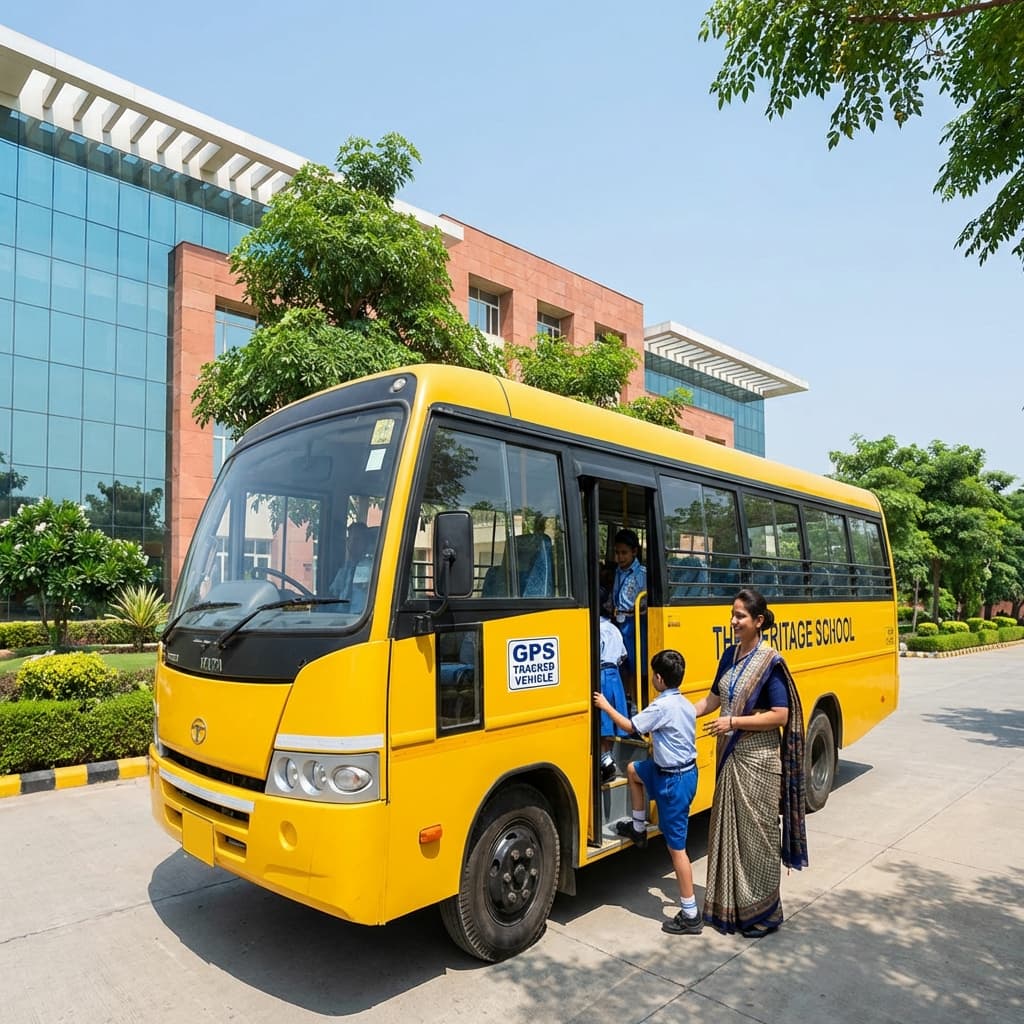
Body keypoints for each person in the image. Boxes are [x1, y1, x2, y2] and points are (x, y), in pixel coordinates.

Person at [693, 588, 808, 937]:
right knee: (728, 835)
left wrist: (734, 723)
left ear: (758, 621)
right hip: (730, 759)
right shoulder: (729, 655)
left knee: (758, 839)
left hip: (758, 760)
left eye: (740, 616)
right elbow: (713, 699)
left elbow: (780, 715)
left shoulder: (769, 662)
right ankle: (729, 908)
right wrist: (677, 711)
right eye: (732, 614)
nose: (733, 621)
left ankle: (763, 915)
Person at [593, 649, 702, 935]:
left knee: (677, 849)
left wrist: (605, 705)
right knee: (633, 770)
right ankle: (639, 828)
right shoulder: (684, 703)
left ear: (658, 678)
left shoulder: (661, 707)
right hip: (680, 773)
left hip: (673, 781)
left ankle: (691, 914)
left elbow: (630, 726)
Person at [608, 528, 647, 705]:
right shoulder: (618, 571)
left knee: (635, 664)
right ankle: (626, 699)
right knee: (620, 663)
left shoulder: (642, 574)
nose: (620, 557)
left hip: (634, 622)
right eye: (617, 553)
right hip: (618, 621)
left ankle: (636, 700)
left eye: (624, 553)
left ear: (634, 552)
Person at [597, 584, 629, 782]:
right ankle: (607, 758)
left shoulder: (594, 629)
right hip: (614, 675)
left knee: (602, 720)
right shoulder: (613, 629)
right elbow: (622, 656)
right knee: (611, 719)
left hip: (600, 674)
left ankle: (605, 761)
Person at [330, 522, 376, 614]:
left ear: (366, 543)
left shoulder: (372, 568)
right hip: (341, 616)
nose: (352, 543)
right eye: (349, 539)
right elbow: (333, 593)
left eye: (357, 540)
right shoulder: (345, 569)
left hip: (361, 618)